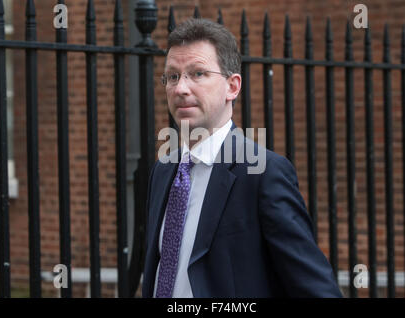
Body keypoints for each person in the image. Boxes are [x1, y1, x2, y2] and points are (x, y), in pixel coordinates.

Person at [141, 18, 342, 298]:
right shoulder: (163, 171)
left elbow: (316, 289)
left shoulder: (265, 174)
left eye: (197, 73)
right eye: (173, 76)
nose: (180, 89)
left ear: (232, 87)